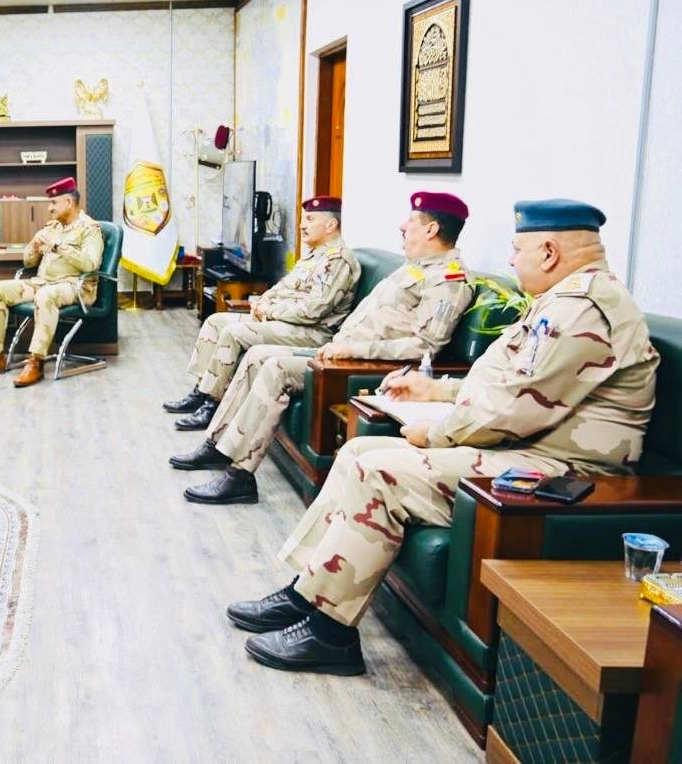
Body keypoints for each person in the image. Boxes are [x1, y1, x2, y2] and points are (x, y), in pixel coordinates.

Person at [236, 199, 658, 676]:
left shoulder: (583, 310)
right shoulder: (565, 299)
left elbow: (515, 408)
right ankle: (306, 594)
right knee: (356, 450)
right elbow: (512, 385)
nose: (510, 260)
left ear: (548, 252)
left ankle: (330, 635)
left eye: (516, 250)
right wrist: (437, 389)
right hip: (523, 445)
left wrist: (436, 432)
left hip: (558, 471)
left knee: (378, 470)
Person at [172, 192, 475, 504]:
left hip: (362, 366)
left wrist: (354, 351)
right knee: (257, 356)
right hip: (338, 351)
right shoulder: (414, 267)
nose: (402, 226)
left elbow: (425, 346)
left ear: (431, 230)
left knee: (275, 367)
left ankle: (240, 476)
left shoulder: (449, 280)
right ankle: (217, 445)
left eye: (411, 221)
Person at [163, 197, 360, 431]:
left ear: (331, 225)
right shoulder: (314, 255)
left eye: (310, 219)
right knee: (215, 322)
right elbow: (285, 285)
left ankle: (213, 405)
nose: (302, 225)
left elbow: (313, 311)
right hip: (286, 322)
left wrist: (270, 311)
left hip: (311, 332)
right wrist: (263, 299)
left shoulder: (338, 260)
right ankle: (201, 392)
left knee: (234, 333)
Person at [0, 176, 103, 388]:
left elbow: (90, 264)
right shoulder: (52, 227)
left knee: (45, 296)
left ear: (69, 202)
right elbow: (28, 262)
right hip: (43, 282)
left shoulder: (89, 229)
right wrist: (34, 246)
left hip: (74, 287)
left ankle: (36, 362)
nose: (49, 208)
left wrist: (57, 246)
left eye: (54, 203)